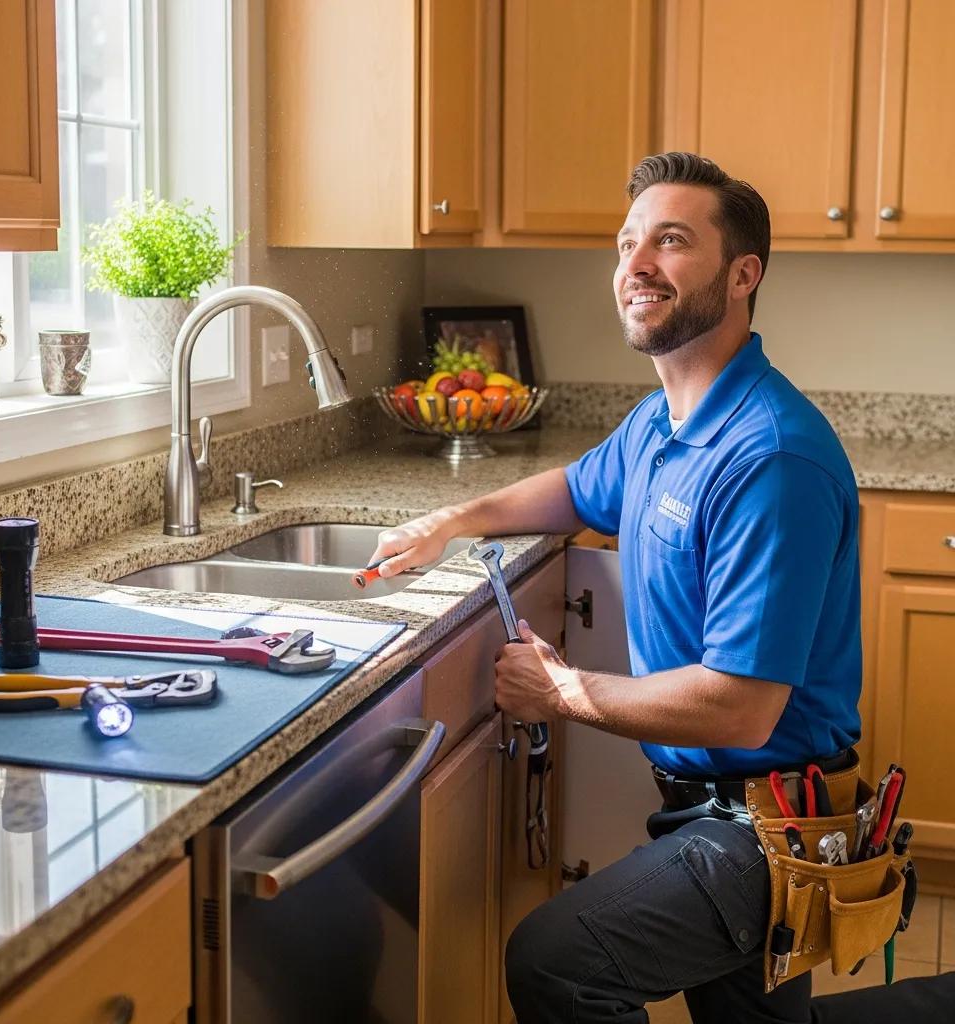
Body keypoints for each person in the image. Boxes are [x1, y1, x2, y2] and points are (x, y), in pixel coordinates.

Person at [367, 152, 868, 1022]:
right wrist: (451, 520)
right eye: (628, 242)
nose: (636, 265)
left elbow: (740, 707)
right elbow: (575, 489)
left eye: (670, 242)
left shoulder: (768, 457)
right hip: (710, 810)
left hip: (766, 833)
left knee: (559, 962)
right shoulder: (664, 422)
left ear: (742, 273)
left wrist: (563, 690)